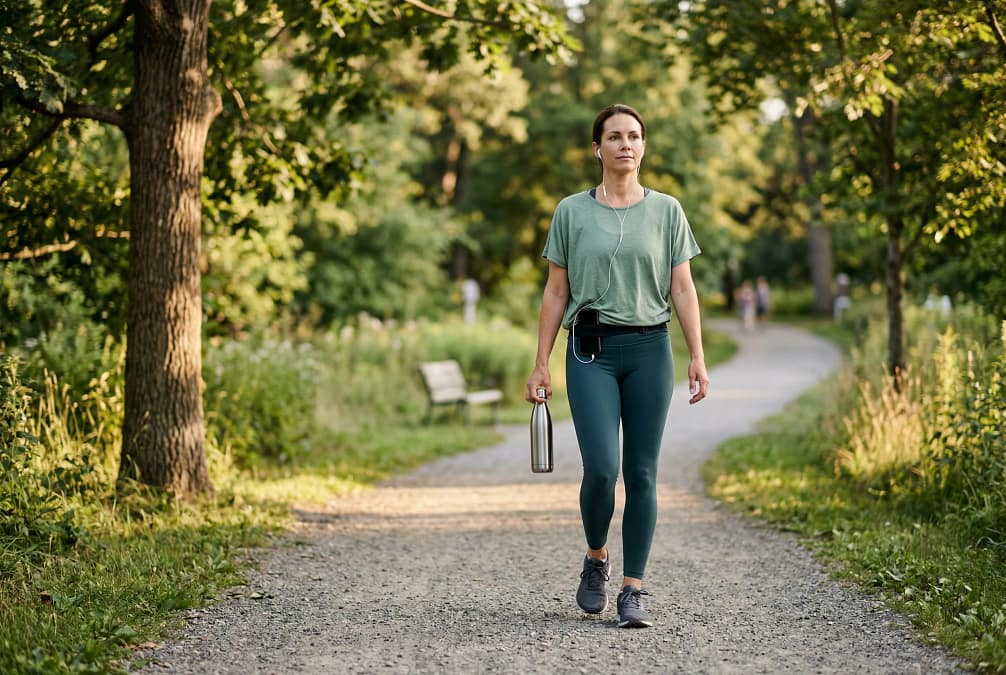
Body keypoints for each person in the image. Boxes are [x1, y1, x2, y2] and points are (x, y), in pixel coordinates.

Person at [525, 104, 709, 629]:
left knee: (643, 471)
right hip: (590, 353)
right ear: (597, 149)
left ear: (643, 147)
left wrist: (696, 356)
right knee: (603, 469)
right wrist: (541, 363)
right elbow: (556, 290)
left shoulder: (668, 210)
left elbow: (682, 287)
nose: (625, 144)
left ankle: (634, 589)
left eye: (634, 136)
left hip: (651, 350)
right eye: (614, 137)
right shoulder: (571, 211)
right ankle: (597, 557)